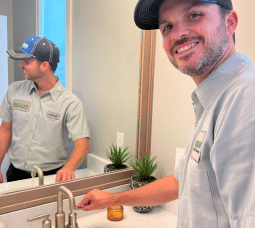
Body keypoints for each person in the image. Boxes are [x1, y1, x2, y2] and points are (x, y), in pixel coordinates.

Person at [77, 0, 255, 226]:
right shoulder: (215, 101)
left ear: (230, 23)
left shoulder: (246, 98)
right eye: (167, 27)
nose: (178, 34)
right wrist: (112, 199)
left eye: (194, 15)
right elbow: (180, 183)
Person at [0, 36, 90, 183]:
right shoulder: (14, 91)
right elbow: (5, 130)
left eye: (27, 61)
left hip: (51, 178)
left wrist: (68, 168)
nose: (21, 65)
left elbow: (83, 145)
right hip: (15, 175)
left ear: (44, 66)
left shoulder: (70, 103)